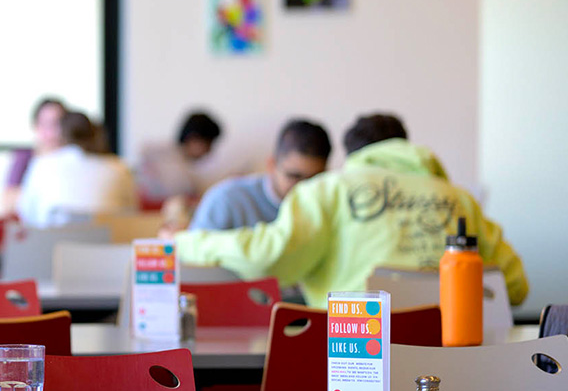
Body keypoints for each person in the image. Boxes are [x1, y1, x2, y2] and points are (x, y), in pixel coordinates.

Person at [174, 113, 529, 307]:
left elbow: (269, 258)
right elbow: (514, 286)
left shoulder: (329, 190)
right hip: (452, 364)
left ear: (352, 156)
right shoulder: (458, 198)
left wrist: (188, 242)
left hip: (357, 354)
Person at [188, 119, 331, 231]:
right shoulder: (226, 199)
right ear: (271, 165)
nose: (303, 187)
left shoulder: (329, 207)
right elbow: (191, 258)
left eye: (314, 179)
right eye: (294, 176)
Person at [17, 110, 138, 226]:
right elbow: (131, 213)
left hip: (52, 243)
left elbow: (27, 215)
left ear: (61, 135)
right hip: (107, 245)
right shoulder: (120, 167)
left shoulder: (42, 164)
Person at [138, 110, 223, 203]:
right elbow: (179, 191)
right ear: (194, 139)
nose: (209, 151)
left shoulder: (180, 161)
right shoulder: (166, 159)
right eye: (208, 144)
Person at [2, 96, 66, 215]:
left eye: (58, 124)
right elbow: (7, 203)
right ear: (36, 126)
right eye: (46, 124)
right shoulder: (24, 158)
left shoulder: (74, 162)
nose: (53, 132)